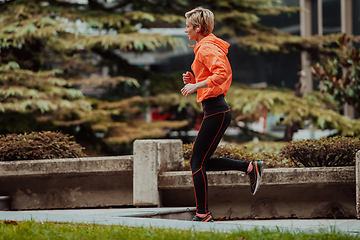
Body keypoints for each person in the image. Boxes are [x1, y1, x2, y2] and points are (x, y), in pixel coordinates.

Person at [181, 7, 264, 222]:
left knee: (196, 163)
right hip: (216, 110)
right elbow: (214, 78)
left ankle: (202, 214)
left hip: (216, 111)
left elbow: (221, 74)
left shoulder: (205, 48)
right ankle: (249, 167)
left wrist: (195, 85)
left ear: (198, 28)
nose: (185, 30)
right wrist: (194, 82)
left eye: (188, 27)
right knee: (202, 161)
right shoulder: (206, 45)